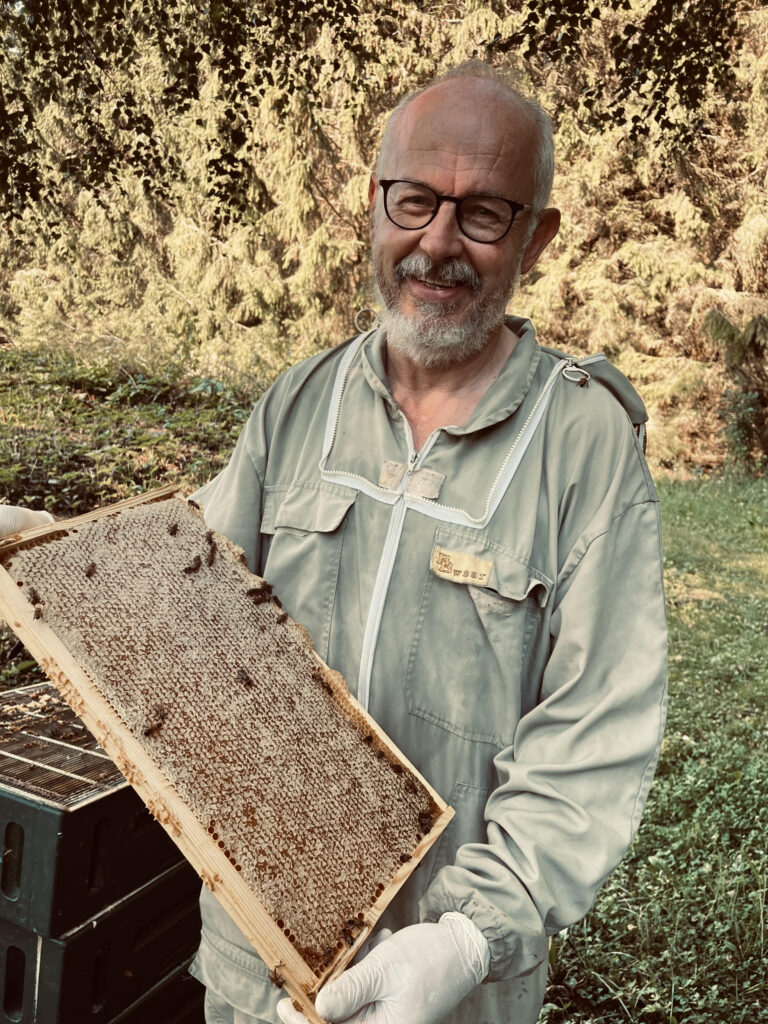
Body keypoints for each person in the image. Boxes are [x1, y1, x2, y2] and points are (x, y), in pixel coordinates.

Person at [0, 63, 667, 1024]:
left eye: (482, 213)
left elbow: (596, 735)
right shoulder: (299, 401)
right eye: (414, 201)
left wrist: (471, 936)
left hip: (450, 990)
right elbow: (195, 601)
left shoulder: (586, 445)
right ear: (372, 203)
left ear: (537, 236)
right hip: (249, 965)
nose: (437, 242)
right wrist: (51, 559)